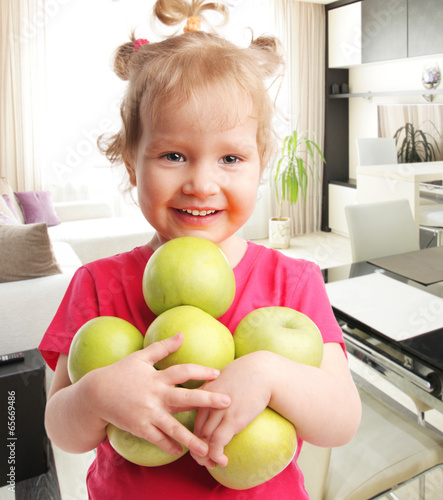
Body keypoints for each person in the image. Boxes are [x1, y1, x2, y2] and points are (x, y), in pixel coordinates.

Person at [39, 0, 361, 498]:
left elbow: (340, 422)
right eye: (173, 155)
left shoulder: (292, 281)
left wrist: (271, 373)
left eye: (231, 157)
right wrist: (97, 396)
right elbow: (61, 429)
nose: (202, 184)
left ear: (260, 165)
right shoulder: (98, 285)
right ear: (130, 164)